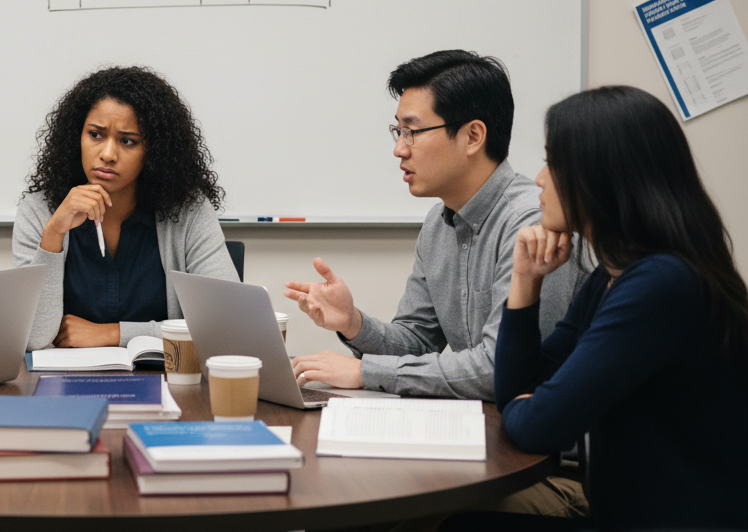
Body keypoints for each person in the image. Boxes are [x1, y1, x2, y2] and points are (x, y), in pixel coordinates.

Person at [444, 86, 748, 531]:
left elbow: (539, 425)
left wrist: (534, 406)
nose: (540, 179)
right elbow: (519, 394)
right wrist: (525, 283)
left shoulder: (660, 284)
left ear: (599, 175)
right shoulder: (613, 276)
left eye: (553, 162)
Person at [284, 50, 584, 399]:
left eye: (411, 131)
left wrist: (365, 371)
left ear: (473, 136)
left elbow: (500, 367)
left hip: (547, 443)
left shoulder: (532, 222)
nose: (399, 149)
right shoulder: (438, 223)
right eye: (397, 131)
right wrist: (353, 324)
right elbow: (417, 341)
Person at [14, 65, 238, 351]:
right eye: (95, 135)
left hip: (169, 383)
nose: (107, 154)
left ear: (154, 151)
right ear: (76, 138)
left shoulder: (188, 211)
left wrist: (114, 334)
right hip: (62, 386)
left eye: (128, 141)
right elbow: (32, 339)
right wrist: (54, 234)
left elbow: (225, 326)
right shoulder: (40, 210)